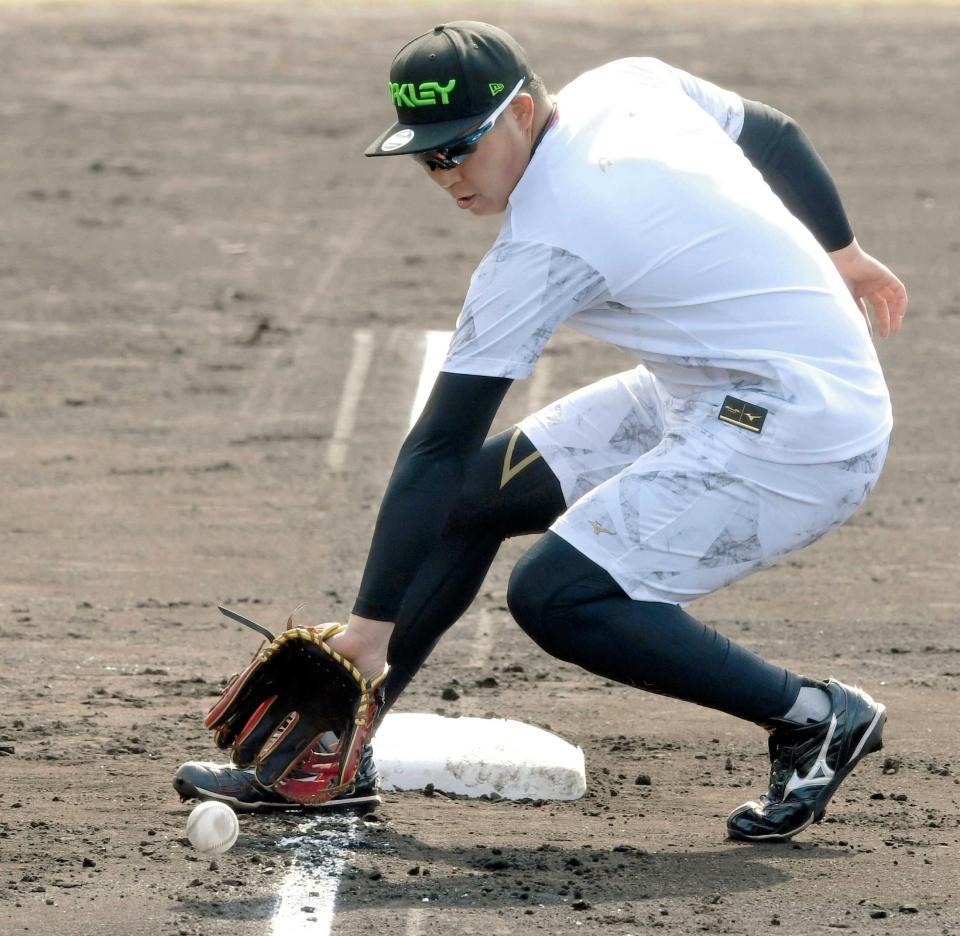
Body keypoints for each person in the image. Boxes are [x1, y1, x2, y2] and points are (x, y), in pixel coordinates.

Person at [176, 21, 907, 840]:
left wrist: (368, 634)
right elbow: (775, 133)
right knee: (471, 502)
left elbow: (437, 444)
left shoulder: (547, 243)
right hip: (707, 386)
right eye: (426, 157)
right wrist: (841, 251)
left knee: (559, 595)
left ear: (522, 111)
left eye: (460, 148)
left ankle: (814, 716)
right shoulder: (625, 86)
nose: (445, 174)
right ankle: (342, 753)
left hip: (802, 431)